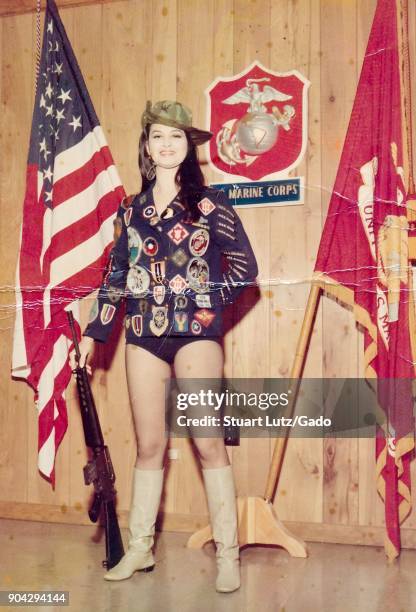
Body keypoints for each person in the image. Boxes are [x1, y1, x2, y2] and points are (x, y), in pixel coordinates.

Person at [72, 100, 258, 593]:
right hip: (143, 335)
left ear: (188, 147)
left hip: (197, 333)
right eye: (158, 136)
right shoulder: (129, 211)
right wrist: (95, 333)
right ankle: (140, 549)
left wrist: (202, 303)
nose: (167, 144)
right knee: (150, 446)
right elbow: (115, 277)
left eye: (176, 136)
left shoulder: (211, 204)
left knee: (208, 442)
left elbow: (245, 271)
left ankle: (228, 554)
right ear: (148, 146)